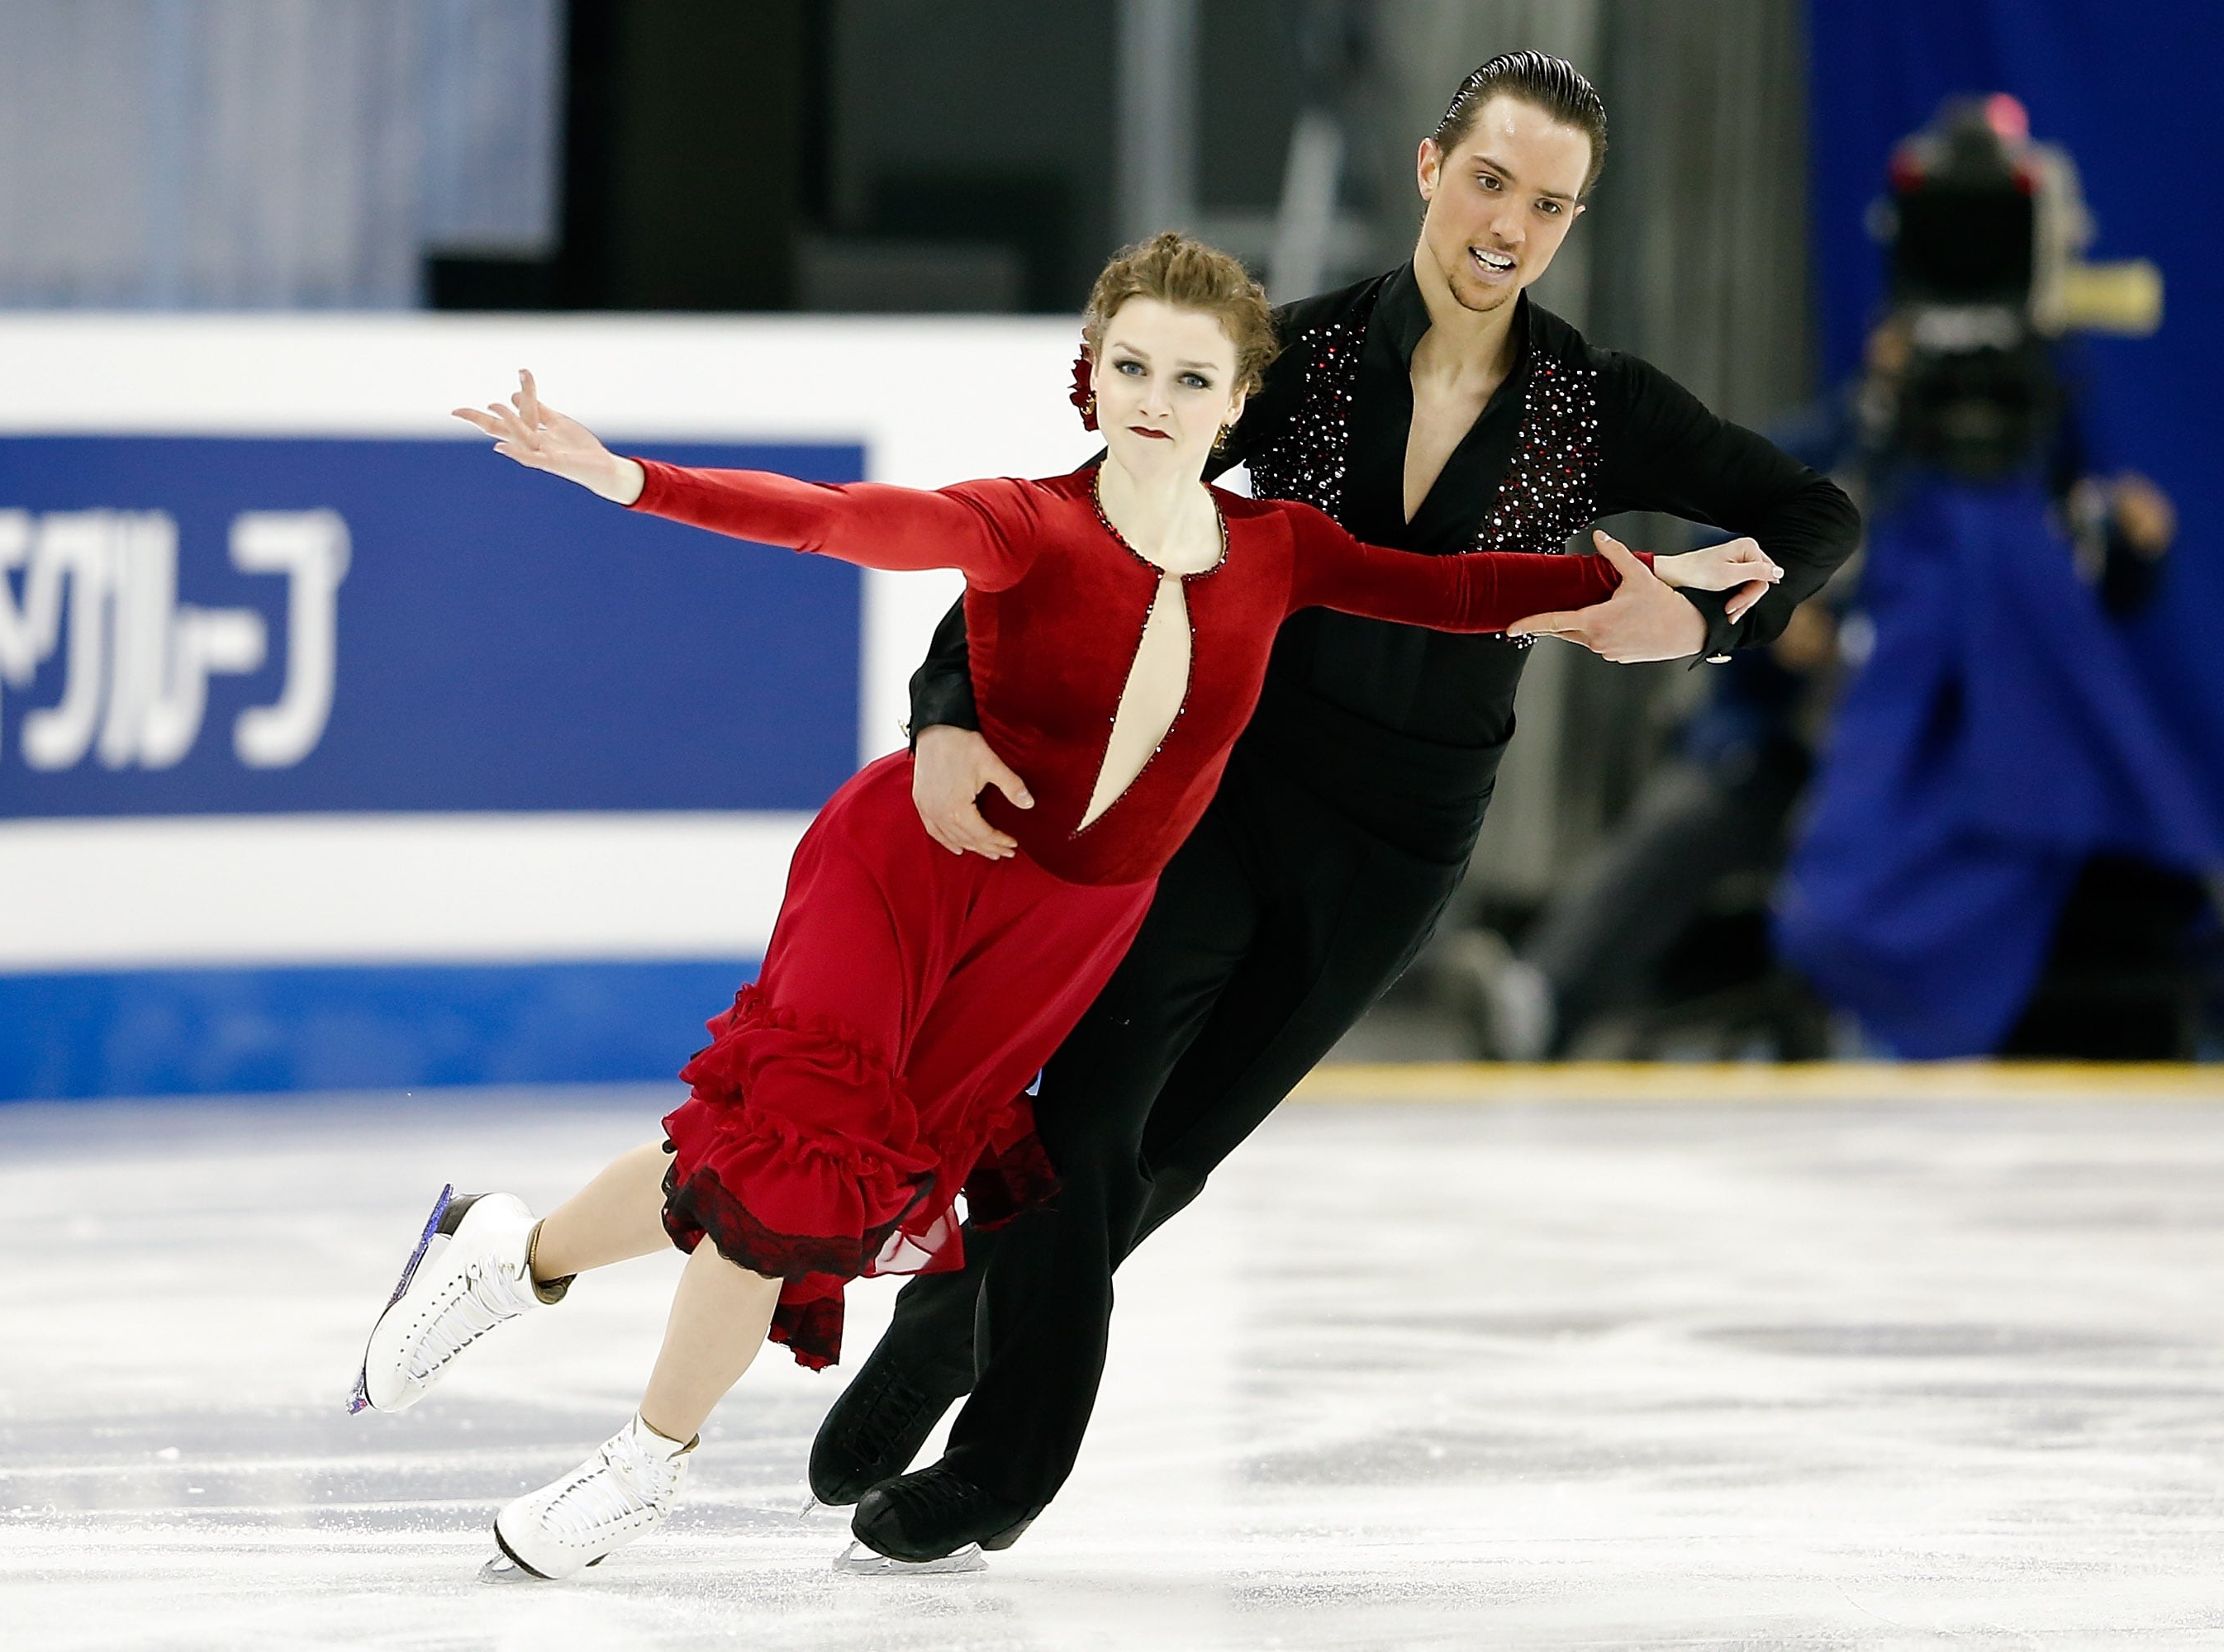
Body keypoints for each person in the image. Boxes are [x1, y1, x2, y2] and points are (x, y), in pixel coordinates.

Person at [348, 233, 1776, 1580]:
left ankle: (504, 1256)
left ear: (1238, 402)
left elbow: (1457, 591)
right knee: (791, 1171)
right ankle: (649, 1464)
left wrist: (1657, 596)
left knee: (742, 1171)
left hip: (1056, 941)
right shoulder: (1025, 527)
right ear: (1094, 373)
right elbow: (843, 522)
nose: (1157, 401)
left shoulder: (1277, 549)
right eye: (1135, 368)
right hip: (908, 876)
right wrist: (629, 479)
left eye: (1194, 378)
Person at [810, 50, 1862, 1565]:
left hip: (1399, 844)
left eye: (1550, 204)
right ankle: (1002, 1472)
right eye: (1491, 181)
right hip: (1219, 795)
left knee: (1173, 1154)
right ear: (1432, 170)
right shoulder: (1287, 360)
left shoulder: (1592, 407)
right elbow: (1067, 531)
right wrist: (947, 715)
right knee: (1086, 1117)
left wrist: (1704, 626)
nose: (1510, 225)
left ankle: (943, 1335)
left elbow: (1816, 514)